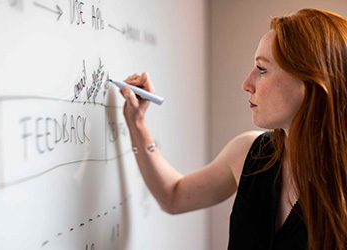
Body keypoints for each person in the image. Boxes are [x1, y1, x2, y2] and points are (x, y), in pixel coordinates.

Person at [119, 8, 347, 250]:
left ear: (310, 82)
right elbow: (173, 196)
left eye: (262, 69)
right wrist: (137, 124)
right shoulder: (251, 153)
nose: (246, 84)